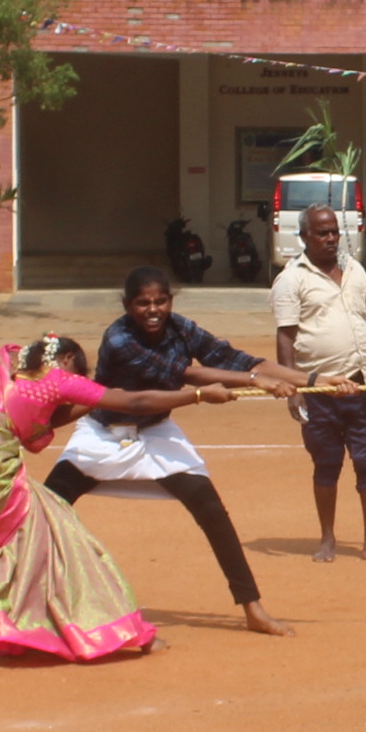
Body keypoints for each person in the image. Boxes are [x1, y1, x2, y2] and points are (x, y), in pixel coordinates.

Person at [47, 269, 311, 637]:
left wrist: (314, 381)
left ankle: (252, 608)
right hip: (102, 434)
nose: (153, 309)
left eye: (160, 301)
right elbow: (180, 377)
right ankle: (12, 599)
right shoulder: (118, 338)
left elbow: (231, 358)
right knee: (46, 508)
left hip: (156, 433)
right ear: (128, 306)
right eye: (143, 303)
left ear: (170, 301)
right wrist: (253, 383)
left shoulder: (181, 328)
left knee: (210, 508)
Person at [0, 333, 186, 661]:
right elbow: (134, 404)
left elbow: (33, 425)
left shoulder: (2, 359)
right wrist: (196, 396)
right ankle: (105, 627)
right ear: (67, 359)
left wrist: (91, 399)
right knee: (58, 531)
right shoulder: (57, 377)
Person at [273, 203, 366, 563]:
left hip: (361, 387)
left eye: (334, 231)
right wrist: (293, 387)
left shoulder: (356, 270)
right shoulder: (291, 279)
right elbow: (285, 337)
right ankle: (327, 538)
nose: (331, 239)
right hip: (319, 391)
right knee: (327, 464)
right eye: (322, 232)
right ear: (304, 237)